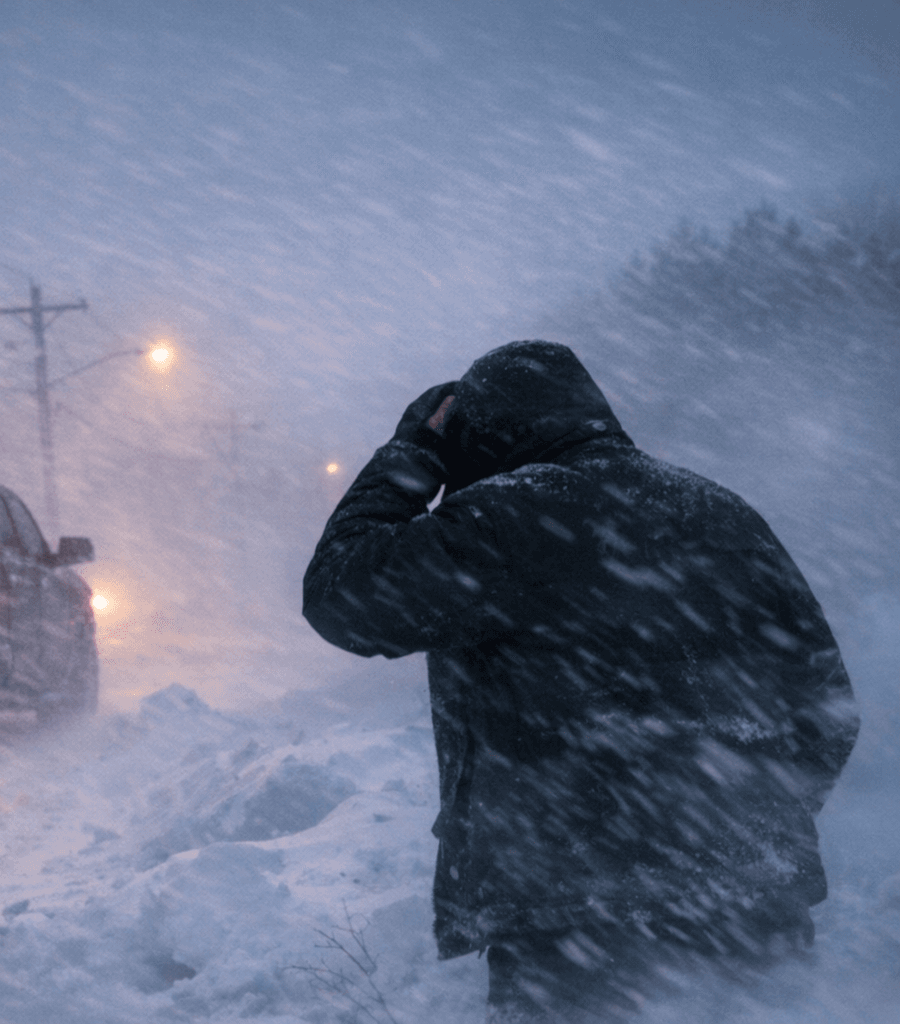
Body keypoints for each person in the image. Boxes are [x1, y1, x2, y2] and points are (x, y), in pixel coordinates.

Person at [302, 341, 859, 1022]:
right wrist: (745, 816)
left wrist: (415, 452)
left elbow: (343, 596)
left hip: (578, 917)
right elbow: (827, 706)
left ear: (485, 436)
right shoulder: (723, 513)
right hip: (752, 901)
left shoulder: (511, 516)